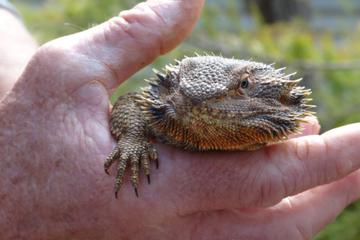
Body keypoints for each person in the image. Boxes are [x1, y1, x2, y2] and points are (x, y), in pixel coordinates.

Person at [0, 0, 359, 239]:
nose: (198, 103)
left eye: (242, 87)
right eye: (184, 94)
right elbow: (129, 104)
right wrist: (133, 140)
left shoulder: (281, 122)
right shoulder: (162, 110)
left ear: (280, 97)